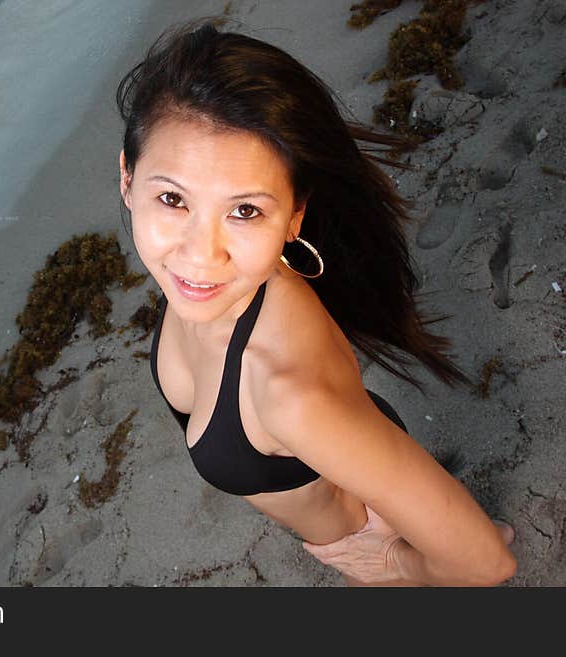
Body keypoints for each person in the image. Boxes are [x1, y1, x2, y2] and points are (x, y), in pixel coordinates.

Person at [115, 19, 517, 586]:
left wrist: (393, 561)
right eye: (173, 199)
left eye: (245, 211)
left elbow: (486, 566)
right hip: (347, 461)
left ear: (293, 216)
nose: (201, 255)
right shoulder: (200, 286)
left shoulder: (290, 397)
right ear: (128, 178)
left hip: (362, 532)